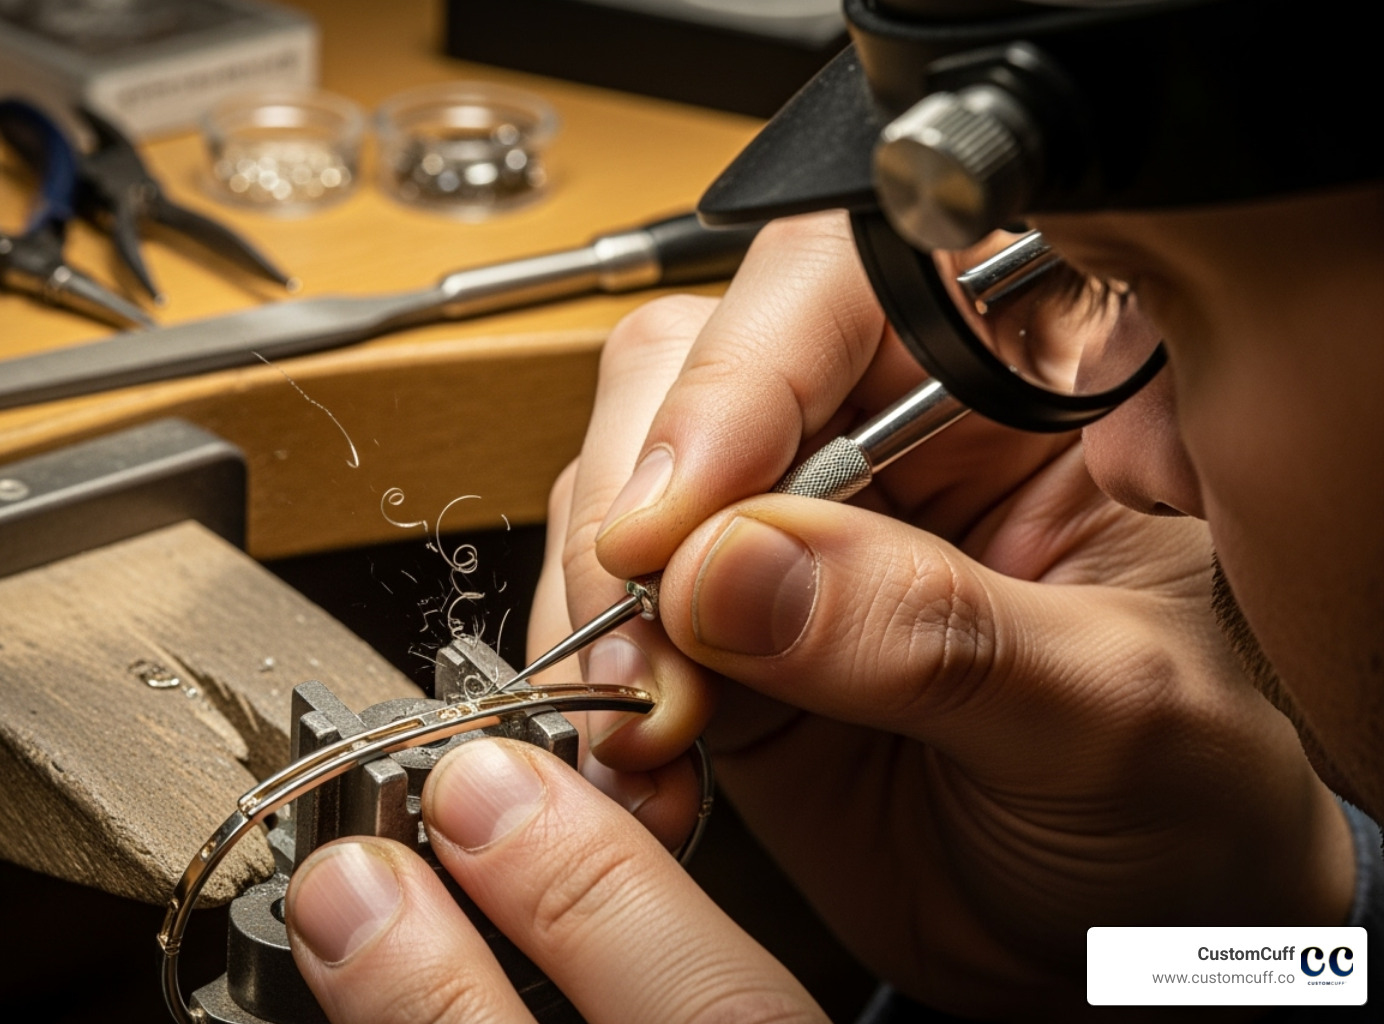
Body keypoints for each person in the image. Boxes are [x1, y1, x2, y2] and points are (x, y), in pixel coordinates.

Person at [276, 2, 1382, 1020]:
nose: (1116, 459)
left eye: (1159, 297)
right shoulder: (1259, 915)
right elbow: (1339, 974)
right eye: (1095, 283)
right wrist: (1254, 933)